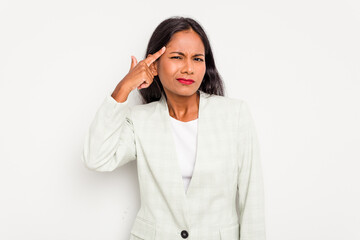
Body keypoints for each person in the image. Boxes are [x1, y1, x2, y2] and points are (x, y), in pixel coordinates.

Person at [81, 16, 266, 240]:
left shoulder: (234, 115)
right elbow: (96, 158)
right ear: (154, 64)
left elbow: (252, 198)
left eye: (197, 59)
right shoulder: (140, 120)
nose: (189, 68)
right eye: (177, 57)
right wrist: (124, 87)